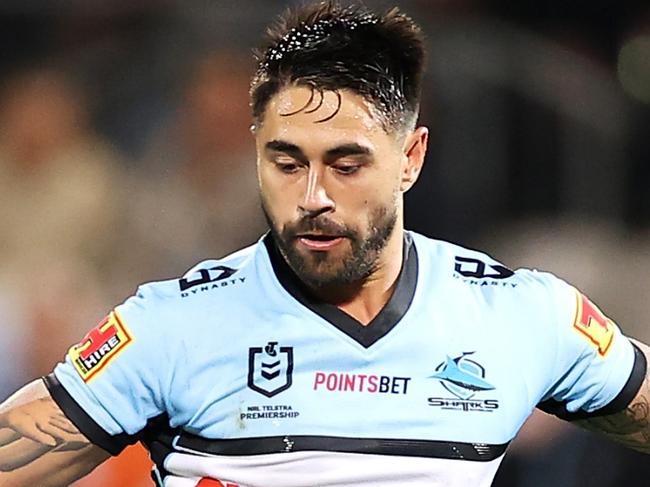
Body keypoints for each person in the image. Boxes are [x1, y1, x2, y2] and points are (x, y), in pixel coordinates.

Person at [0, 2, 648, 486]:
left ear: (410, 159)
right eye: (286, 162)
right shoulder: (170, 329)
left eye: (346, 163)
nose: (312, 195)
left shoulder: (515, 317)